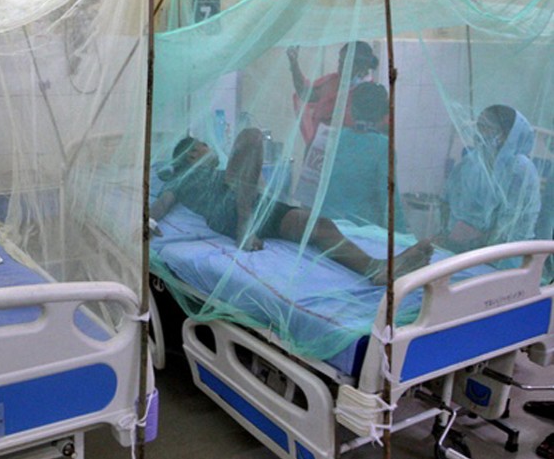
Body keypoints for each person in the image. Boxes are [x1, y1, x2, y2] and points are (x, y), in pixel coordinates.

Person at [150, 130, 432, 285]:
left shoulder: (222, 170)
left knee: (318, 224)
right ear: (192, 155)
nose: (211, 149)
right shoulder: (184, 177)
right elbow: (162, 203)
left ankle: (375, 268)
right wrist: (147, 222)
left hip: (260, 207)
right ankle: (245, 227)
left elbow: (254, 185)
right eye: (204, 145)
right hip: (233, 212)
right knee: (250, 136)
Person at [440, 104, 540, 254]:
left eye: (486, 127)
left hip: (503, 254)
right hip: (462, 248)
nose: (479, 133)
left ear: (506, 135)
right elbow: (446, 200)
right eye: (479, 126)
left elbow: (510, 228)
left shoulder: (520, 169)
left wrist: (473, 245)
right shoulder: (471, 162)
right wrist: (447, 235)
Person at [320, 82, 407, 229]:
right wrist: (404, 240)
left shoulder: (330, 137)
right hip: (362, 233)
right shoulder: (382, 147)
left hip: (325, 228)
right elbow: (390, 201)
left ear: (352, 110)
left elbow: (308, 190)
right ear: (383, 113)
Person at [287, 41, 380, 147]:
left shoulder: (371, 94)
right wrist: (294, 64)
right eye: (340, 62)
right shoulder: (334, 81)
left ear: (362, 68)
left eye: (346, 64)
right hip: (321, 149)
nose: (340, 67)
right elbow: (305, 93)